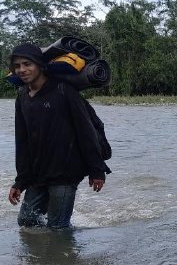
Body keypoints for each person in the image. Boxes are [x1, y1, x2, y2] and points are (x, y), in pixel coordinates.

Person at [7, 43, 110, 229]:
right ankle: (42, 256)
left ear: (39, 64)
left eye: (27, 64)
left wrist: (97, 169)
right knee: (26, 221)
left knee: (58, 229)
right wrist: (20, 181)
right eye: (17, 66)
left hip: (65, 173)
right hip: (38, 173)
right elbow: (22, 141)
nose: (22, 69)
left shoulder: (64, 91)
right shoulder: (22, 96)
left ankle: (66, 256)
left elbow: (85, 131)